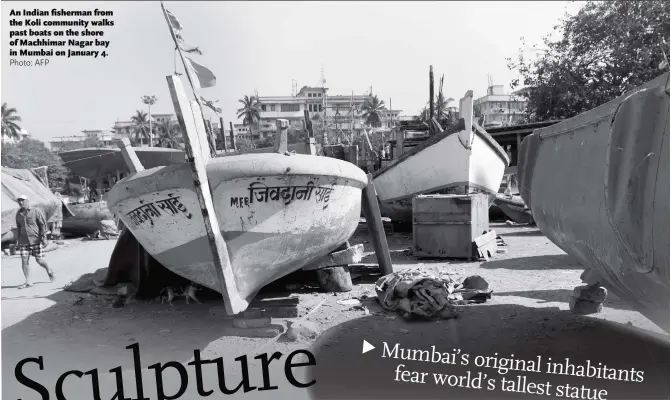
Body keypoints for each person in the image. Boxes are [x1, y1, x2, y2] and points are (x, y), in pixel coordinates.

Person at [15, 194, 55, 288]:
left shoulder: (35, 211)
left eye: (22, 200)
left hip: (35, 239)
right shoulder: (18, 214)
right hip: (23, 241)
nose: (20, 202)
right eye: (19, 201)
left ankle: (49, 270)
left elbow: (42, 225)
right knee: (24, 261)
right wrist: (17, 240)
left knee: (39, 260)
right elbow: (18, 227)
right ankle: (28, 281)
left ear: (27, 201)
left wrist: (44, 237)